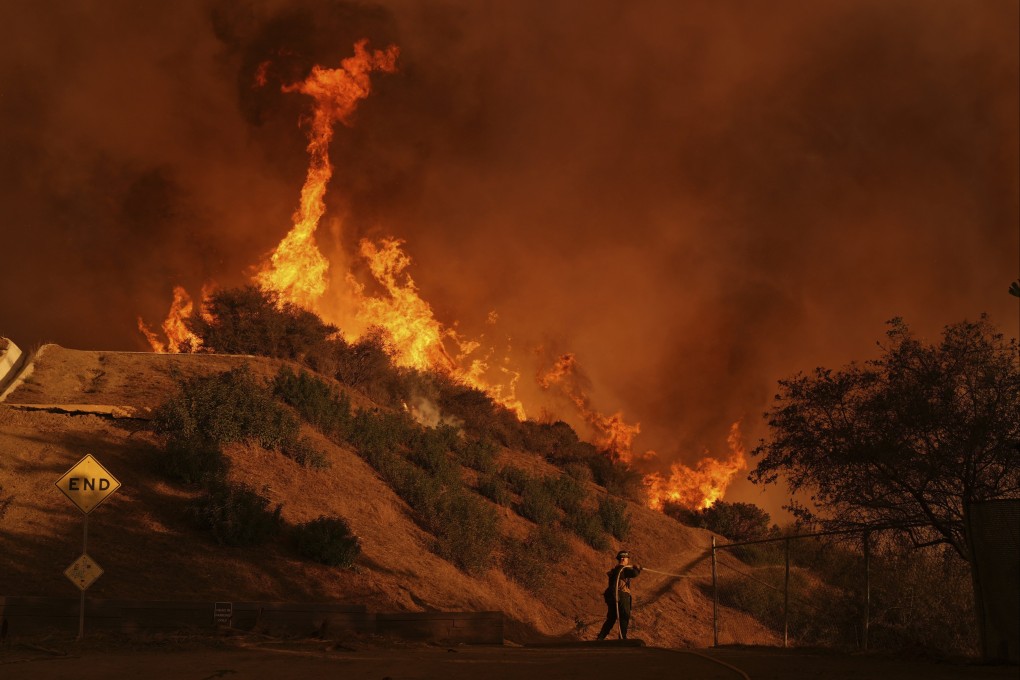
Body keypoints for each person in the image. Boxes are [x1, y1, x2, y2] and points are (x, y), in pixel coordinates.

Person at [596, 550, 643, 640]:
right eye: (627, 558)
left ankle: (601, 637)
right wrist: (637, 568)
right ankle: (622, 638)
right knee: (624, 616)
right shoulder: (622, 569)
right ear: (623, 559)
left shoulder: (615, 570)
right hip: (622, 595)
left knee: (611, 618)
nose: (628, 560)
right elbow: (634, 573)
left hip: (612, 595)